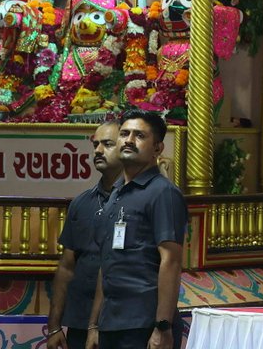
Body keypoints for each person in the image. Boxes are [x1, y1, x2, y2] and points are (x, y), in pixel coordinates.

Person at [90, 110, 188, 349]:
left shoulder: (163, 192)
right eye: (124, 134)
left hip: (144, 324)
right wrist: (94, 325)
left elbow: (171, 261)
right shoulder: (116, 193)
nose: (129, 140)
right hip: (111, 323)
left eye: (139, 136)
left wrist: (162, 326)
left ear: (157, 148)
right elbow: (107, 261)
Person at [46, 121, 123, 349]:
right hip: (80, 322)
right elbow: (66, 268)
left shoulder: (139, 200)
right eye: (95, 145)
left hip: (124, 324)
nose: (98, 150)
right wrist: (54, 326)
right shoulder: (81, 203)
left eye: (107, 144)